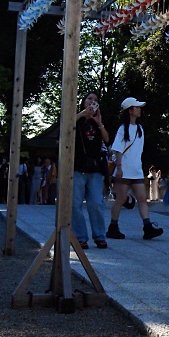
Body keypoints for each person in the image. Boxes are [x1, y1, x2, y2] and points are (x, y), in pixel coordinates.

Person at [106, 97, 163, 240]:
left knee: (142, 198)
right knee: (121, 199)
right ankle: (113, 227)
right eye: (136, 107)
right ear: (130, 111)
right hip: (124, 168)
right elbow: (118, 149)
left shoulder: (140, 128)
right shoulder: (122, 129)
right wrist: (118, 168)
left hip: (136, 169)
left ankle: (147, 227)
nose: (139, 109)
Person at [73, 92, 111, 249]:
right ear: (83, 101)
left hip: (95, 169)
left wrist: (99, 123)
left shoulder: (97, 122)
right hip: (77, 168)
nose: (92, 102)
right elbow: (65, 129)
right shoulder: (76, 119)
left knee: (96, 203)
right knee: (75, 204)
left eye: (95, 100)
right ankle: (81, 237)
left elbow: (107, 140)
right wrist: (81, 114)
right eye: (89, 99)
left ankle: (99, 236)